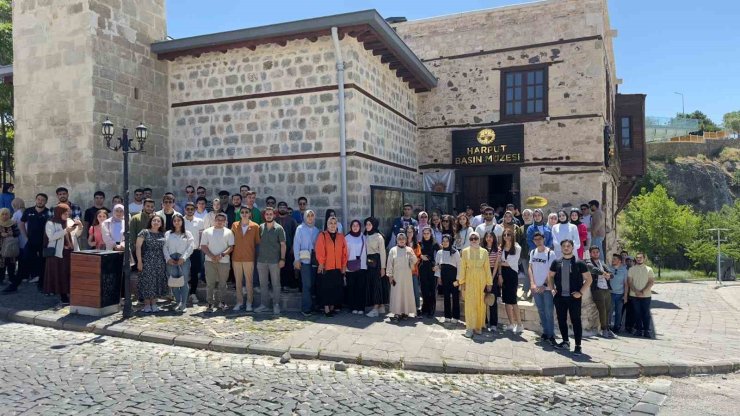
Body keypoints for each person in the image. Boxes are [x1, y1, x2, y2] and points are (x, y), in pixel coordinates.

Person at [547, 239, 592, 356]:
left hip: (574, 297)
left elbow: (589, 279)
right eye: (564, 246)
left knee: (576, 321)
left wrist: (580, 293)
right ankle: (565, 341)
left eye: (568, 246)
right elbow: (550, 276)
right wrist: (552, 289)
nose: (566, 248)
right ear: (561, 248)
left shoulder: (579, 263)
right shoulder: (556, 262)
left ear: (572, 247)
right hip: (560, 297)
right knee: (561, 320)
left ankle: (578, 346)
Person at [8, 193, 51, 292]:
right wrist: (25, 236)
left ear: (46, 202)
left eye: (42, 200)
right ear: (36, 200)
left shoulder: (48, 213)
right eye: (38, 199)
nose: (40, 201)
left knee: (43, 264)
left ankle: (42, 285)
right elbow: (21, 223)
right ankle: (14, 286)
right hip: (30, 242)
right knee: (23, 263)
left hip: (43, 243)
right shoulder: (28, 211)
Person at [454, 231, 493, 338]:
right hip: (469, 279)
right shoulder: (465, 251)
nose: (474, 240)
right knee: (470, 304)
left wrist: (489, 283)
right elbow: (462, 268)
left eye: (476, 238)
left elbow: (487, 268)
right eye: (471, 238)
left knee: (480, 303)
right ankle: (470, 327)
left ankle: (478, 326)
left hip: (481, 280)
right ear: (469, 240)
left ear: (479, 239)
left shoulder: (484, 252)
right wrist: (462, 282)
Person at [44, 204, 82, 307]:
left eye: (68, 212)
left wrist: (79, 227)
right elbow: (51, 237)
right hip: (58, 253)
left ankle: (71, 294)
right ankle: (63, 296)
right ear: (59, 213)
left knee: (70, 273)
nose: (67, 214)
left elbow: (76, 235)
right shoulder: (51, 223)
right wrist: (65, 231)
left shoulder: (69, 221)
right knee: (60, 275)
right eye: (65, 213)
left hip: (71, 250)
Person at [200, 213, 235, 312]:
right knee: (210, 283)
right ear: (214, 220)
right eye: (218, 219)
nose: (219, 222)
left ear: (225, 222)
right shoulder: (207, 232)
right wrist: (211, 256)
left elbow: (231, 247)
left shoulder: (229, 232)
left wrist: (221, 255)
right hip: (209, 261)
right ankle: (210, 303)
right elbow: (203, 246)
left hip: (224, 261)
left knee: (223, 284)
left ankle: (222, 302)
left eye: (222, 220)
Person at [315, 216, 347, 317]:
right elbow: (320, 250)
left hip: (337, 267)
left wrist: (343, 265)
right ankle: (326, 309)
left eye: (334, 223)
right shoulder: (322, 235)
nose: (333, 225)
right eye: (330, 223)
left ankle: (332, 307)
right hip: (326, 267)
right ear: (327, 225)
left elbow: (344, 252)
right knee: (326, 288)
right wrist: (321, 263)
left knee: (335, 288)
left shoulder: (341, 236)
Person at [256, 207, 286, 314]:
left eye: (270, 214)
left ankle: (276, 305)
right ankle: (264, 305)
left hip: (275, 261)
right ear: (264, 215)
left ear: (274, 215)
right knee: (263, 284)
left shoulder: (279, 229)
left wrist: (282, 259)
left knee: (276, 284)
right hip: (261, 260)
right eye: (267, 214)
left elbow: (283, 245)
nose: (268, 215)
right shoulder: (260, 228)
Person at [528, 231, 556, 345]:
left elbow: (551, 271)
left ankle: (551, 334)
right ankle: (545, 332)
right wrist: (532, 283)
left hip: (547, 288)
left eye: (540, 239)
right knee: (541, 310)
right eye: (535, 239)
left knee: (549, 312)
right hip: (536, 287)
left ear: (543, 239)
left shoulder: (550, 253)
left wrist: (544, 285)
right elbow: (530, 268)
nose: (538, 241)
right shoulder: (533, 252)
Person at [135, 215, 168, 313]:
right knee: (147, 282)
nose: (156, 222)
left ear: (161, 223)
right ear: (151, 221)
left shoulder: (163, 234)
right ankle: (146, 304)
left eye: (158, 221)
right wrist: (139, 261)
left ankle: (154, 303)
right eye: (154, 220)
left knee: (156, 282)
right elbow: (138, 247)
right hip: (147, 261)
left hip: (160, 262)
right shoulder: (144, 232)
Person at [163, 214, 194, 312]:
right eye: (175, 220)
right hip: (171, 260)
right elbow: (164, 247)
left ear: (182, 221)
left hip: (183, 260)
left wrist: (183, 258)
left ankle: (183, 304)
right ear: (172, 222)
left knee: (184, 282)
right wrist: (168, 258)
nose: (177, 222)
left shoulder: (187, 233)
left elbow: (191, 246)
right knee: (174, 282)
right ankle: (178, 302)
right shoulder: (168, 233)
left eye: (179, 220)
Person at [293, 210, 320, 316]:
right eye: (308, 216)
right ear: (305, 217)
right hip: (304, 261)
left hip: (314, 261)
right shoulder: (300, 229)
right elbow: (296, 244)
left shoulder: (316, 230)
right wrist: (296, 259)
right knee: (307, 285)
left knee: (313, 284)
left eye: (312, 216)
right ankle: (306, 308)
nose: (310, 218)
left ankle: (313, 306)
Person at [386, 232, 418, 321]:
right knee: (396, 294)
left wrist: (411, 254)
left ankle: (405, 312)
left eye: (403, 239)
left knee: (406, 294)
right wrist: (390, 276)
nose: (401, 240)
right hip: (396, 277)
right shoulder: (393, 250)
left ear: (406, 240)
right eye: (399, 239)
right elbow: (389, 264)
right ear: (396, 240)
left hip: (407, 277)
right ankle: (397, 313)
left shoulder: (409, 249)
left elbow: (415, 261)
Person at [585, 245, 614, 338]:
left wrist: (609, 275)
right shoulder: (588, 262)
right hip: (597, 289)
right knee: (602, 309)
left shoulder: (602, 262)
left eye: (597, 252)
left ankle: (608, 329)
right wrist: (604, 273)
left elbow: (610, 272)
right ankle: (604, 329)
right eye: (593, 252)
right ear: (590, 253)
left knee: (608, 309)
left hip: (606, 288)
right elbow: (592, 269)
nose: (596, 253)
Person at [498, 229, 522, 333]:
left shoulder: (517, 248)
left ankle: (520, 324)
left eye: (509, 235)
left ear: (512, 236)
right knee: (506, 300)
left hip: (512, 274)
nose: (506, 236)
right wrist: (499, 274)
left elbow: (509, 263)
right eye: (505, 235)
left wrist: (501, 262)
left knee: (513, 300)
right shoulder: (501, 247)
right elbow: (501, 262)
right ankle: (511, 323)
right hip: (503, 274)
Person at [183, 202, 205, 306]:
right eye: (188, 209)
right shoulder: (181, 220)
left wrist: (201, 246)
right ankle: (183, 294)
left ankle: (193, 293)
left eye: (192, 209)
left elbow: (201, 234)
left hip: (196, 250)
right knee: (184, 272)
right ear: (185, 209)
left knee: (194, 273)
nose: (190, 211)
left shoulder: (200, 221)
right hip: (184, 250)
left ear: (195, 209)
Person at [628, 252, 655, 338]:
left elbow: (651, 282)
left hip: (646, 296)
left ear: (644, 259)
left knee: (646, 313)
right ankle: (639, 330)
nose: (639, 259)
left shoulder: (649, 269)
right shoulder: (631, 269)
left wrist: (643, 291)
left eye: (640, 257)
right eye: (637, 257)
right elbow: (629, 281)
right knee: (637, 313)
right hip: (634, 295)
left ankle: (646, 331)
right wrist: (636, 291)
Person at [364, 217, 387, 318]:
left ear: (374, 225)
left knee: (377, 285)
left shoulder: (378, 237)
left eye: (369, 224)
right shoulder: (365, 235)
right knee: (373, 284)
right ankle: (381, 306)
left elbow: (382, 252)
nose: (367, 226)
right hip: (369, 262)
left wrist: (383, 268)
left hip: (376, 262)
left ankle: (375, 308)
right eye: (366, 224)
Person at [435, 234, 460, 323]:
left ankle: (456, 317)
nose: (445, 243)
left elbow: (459, 266)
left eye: (447, 241)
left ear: (450, 242)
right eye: (443, 241)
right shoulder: (439, 252)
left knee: (455, 297)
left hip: (453, 277)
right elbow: (437, 265)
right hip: (444, 277)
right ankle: (447, 316)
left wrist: (458, 278)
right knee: (446, 296)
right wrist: (439, 277)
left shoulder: (455, 252)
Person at [345, 219, 367, 315]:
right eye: (353, 225)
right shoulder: (346, 238)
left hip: (361, 265)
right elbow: (344, 253)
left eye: (357, 225)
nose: (355, 227)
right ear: (350, 227)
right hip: (350, 265)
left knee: (361, 287)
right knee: (351, 287)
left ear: (360, 227)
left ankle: (360, 307)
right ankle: (352, 306)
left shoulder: (364, 237)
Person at [276, 201, 298, 291]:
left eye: (284, 207)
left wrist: (293, 247)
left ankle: (288, 286)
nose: (282, 208)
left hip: (289, 248)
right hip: (277, 249)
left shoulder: (292, 220)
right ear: (278, 209)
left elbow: (295, 235)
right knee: (278, 268)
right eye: (280, 207)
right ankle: (279, 285)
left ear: (287, 208)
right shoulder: (274, 220)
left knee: (288, 268)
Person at [418, 226, 440, 319]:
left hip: (431, 268)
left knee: (432, 289)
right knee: (424, 289)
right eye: (424, 233)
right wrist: (420, 256)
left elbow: (441, 253)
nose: (426, 235)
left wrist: (438, 265)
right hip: (423, 268)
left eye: (428, 233)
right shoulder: (419, 243)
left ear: (431, 234)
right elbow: (416, 253)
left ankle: (431, 309)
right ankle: (425, 308)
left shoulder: (434, 243)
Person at [128, 198, 156, 272]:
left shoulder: (156, 219)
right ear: (143, 206)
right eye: (148, 206)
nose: (150, 208)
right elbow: (132, 236)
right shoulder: (135, 218)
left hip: (153, 253)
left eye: (152, 206)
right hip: (138, 252)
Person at [482, 231, 500, 331]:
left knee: (492, 300)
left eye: (491, 237)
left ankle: (493, 324)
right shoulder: (481, 250)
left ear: (493, 238)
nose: (489, 238)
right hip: (483, 273)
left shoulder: (497, 250)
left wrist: (490, 280)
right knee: (483, 299)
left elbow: (496, 266)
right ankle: (483, 321)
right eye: (487, 236)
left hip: (493, 273)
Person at [0, 208, 20, 287]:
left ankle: (12, 278)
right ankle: (1, 279)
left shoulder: (13, 223)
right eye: (3, 214)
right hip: (1, 247)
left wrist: (10, 234)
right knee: (1, 264)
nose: (5, 216)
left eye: (6, 214)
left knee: (11, 262)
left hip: (11, 247)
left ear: (9, 215)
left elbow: (17, 232)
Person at [609, 253, 629, 334]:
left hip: (620, 294)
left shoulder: (624, 270)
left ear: (620, 261)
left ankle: (616, 327)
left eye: (615, 259)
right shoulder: (609, 268)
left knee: (618, 312)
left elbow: (626, 284)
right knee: (609, 311)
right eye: (613, 259)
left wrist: (625, 296)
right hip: (610, 293)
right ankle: (608, 326)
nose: (613, 260)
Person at [405, 225, 422, 316]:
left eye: (411, 232)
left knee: (415, 289)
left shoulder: (417, 245)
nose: (409, 233)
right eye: (408, 232)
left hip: (414, 270)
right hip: (404, 271)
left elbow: (419, 258)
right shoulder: (402, 243)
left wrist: (413, 262)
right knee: (406, 290)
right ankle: (406, 309)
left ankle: (417, 307)